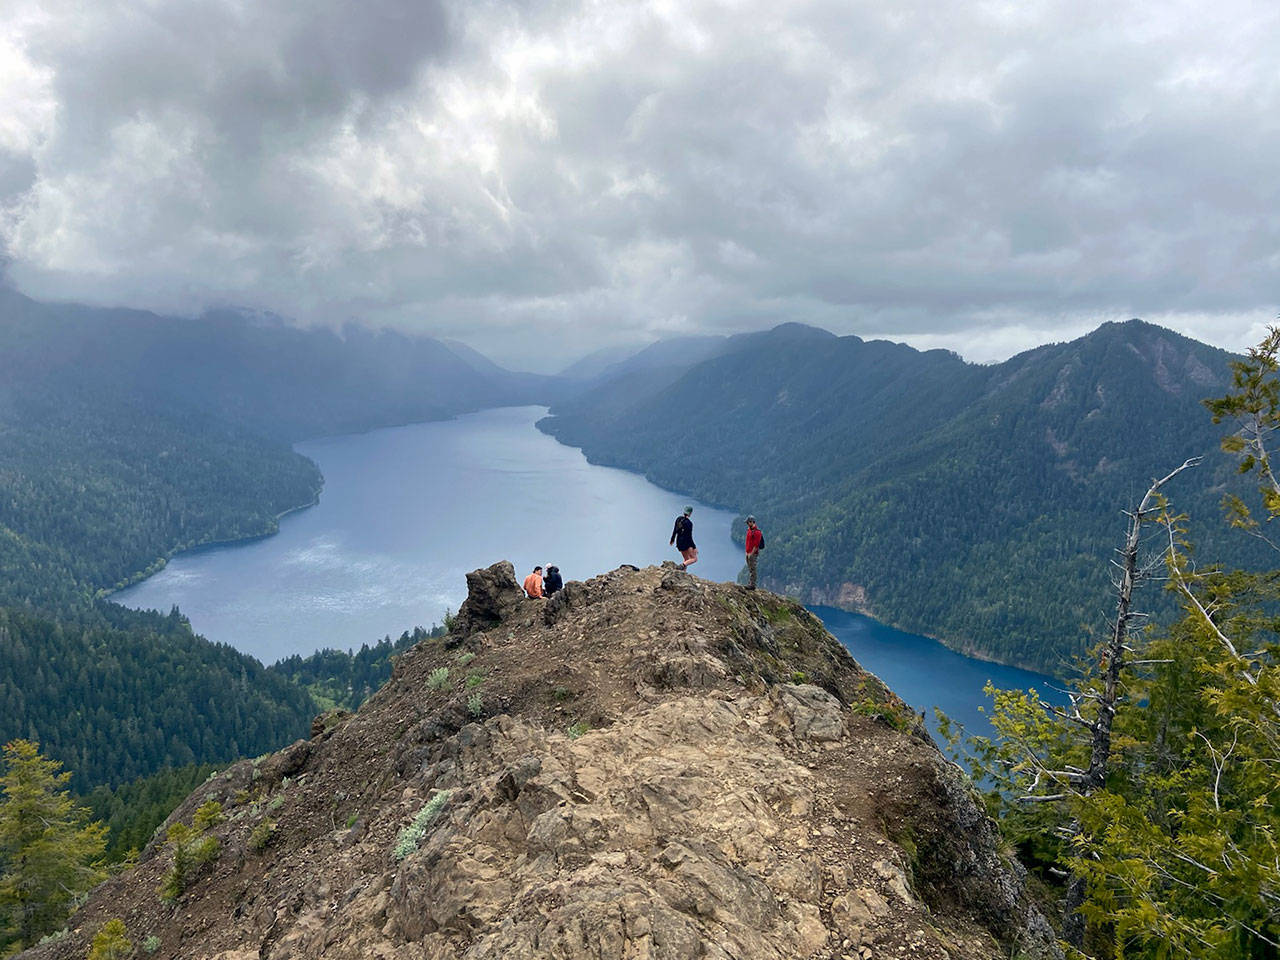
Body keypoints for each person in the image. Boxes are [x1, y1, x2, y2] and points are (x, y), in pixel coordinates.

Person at [670, 506, 697, 570]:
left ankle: (683, 572)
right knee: (694, 559)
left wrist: (672, 539)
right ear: (690, 513)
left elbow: (675, 530)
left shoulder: (678, 519)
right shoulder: (689, 523)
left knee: (686, 559)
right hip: (686, 543)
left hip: (679, 542)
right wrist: (694, 547)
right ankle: (682, 565)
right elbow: (689, 536)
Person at [744, 515, 764, 589]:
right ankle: (750, 583)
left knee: (753, 569)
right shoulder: (749, 530)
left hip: (752, 554)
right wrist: (746, 552)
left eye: (748, 522)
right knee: (750, 568)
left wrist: (751, 554)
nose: (747, 524)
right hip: (748, 552)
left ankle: (752, 585)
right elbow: (748, 542)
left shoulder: (757, 532)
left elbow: (756, 545)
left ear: (752, 522)